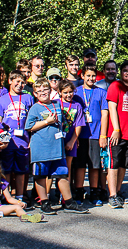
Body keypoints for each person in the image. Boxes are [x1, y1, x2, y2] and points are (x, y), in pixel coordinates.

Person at [25, 78, 88, 215]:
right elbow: (29, 127)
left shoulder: (56, 104)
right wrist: (46, 122)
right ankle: (44, 202)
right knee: (41, 176)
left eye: (45, 89)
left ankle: (69, 201)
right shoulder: (35, 108)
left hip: (57, 148)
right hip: (41, 149)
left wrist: (73, 139)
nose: (43, 92)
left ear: (50, 90)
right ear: (35, 93)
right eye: (39, 91)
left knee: (62, 174)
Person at [0, 71, 34, 207]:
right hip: (8, 141)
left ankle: (19, 196)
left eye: (22, 82)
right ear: (10, 81)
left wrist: (31, 138)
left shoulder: (28, 98)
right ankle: (5, 196)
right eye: (17, 81)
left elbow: (32, 119)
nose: (20, 84)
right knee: (6, 169)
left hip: (23, 140)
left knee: (21, 170)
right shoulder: (3, 99)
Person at [106, 61, 128, 208]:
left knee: (123, 165)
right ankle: (112, 195)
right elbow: (112, 107)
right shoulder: (115, 86)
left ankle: (119, 191)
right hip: (117, 134)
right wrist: (116, 129)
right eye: (125, 70)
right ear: (121, 73)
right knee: (114, 164)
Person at [74, 65, 109, 206]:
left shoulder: (101, 92)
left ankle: (94, 191)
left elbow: (105, 113)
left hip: (95, 134)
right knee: (80, 165)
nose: (90, 78)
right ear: (82, 76)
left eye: (93, 76)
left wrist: (103, 135)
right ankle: (79, 190)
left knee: (95, 166)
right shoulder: (76, 92)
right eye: (88, 76)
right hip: (80, 135)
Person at [57, 80, 85, 201]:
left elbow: (79, 125)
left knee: (66, 168)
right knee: (55, 167)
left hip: (70, 140)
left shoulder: (76, 105)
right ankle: (53, 193)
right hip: (56, 140)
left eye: (71, 92)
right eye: (65, 92)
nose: (68, 95)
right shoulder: (55, 104)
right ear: (59, 92)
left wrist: (73, 141)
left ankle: (65, 195)